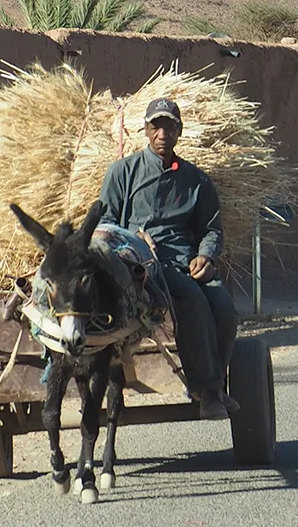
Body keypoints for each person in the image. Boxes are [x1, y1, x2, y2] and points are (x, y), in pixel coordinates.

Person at [97, 97, 238, 419]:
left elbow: (211, 229)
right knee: (192, 300)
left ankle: (213, 383)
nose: (162, 133)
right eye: (155, 126)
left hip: (184, 260)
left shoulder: (196, 180)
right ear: (145, 131)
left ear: (180, 131)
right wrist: (135, 237)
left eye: (169, 126)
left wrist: (206, 256)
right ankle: (208, 390)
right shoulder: (123, 172)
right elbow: (105, 225)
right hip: (138, 261)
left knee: (225, 310)